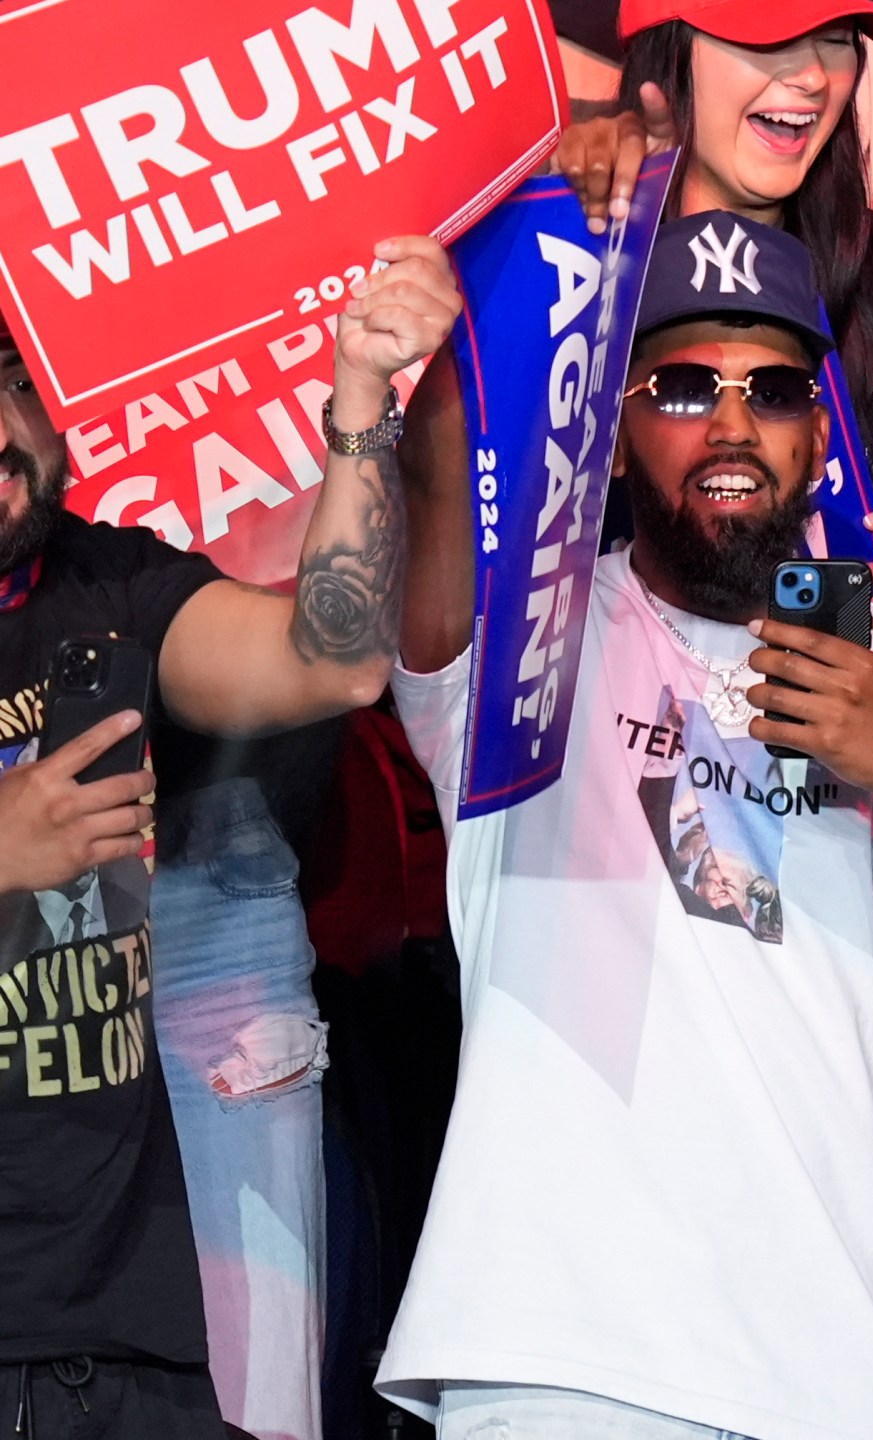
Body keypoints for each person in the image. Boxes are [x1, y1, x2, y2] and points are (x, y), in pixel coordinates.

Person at [376, 211, 873, 1439]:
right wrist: (489, 281)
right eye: (680, 385)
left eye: (773, 388)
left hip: (831, 1376)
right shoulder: (531, 636)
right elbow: (441, 467)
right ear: (611, 424)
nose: (731, 423)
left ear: (818, 432)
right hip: (557, 1361)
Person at [0, 237, 457, 1438]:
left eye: (20, 385)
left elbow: (334, 657)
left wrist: (360, 401)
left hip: (116, 1324)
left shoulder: (110, 584)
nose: (3, 431)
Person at [553, 0, 873, 541]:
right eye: (767, 37)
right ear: (670, 51)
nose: (812, 77)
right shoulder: (570, 268)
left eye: (836, 39)